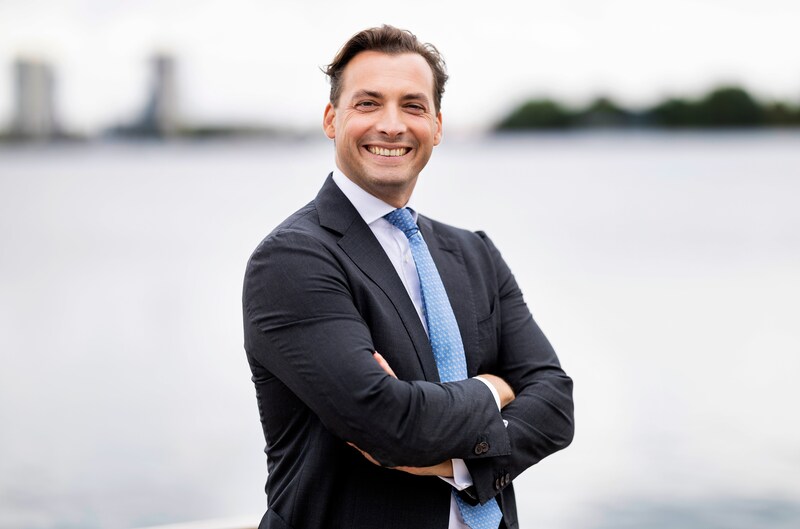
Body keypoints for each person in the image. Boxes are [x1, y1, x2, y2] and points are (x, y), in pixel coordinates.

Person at [242, 25, 574, 529]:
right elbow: (389, 425)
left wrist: (457, 463)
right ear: (332, 119)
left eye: (413, 106)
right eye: (368, 103)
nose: (392, 125)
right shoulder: (292, 259)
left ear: (436, 126)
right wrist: (493, 389)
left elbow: (555, 404)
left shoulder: (474, 253)